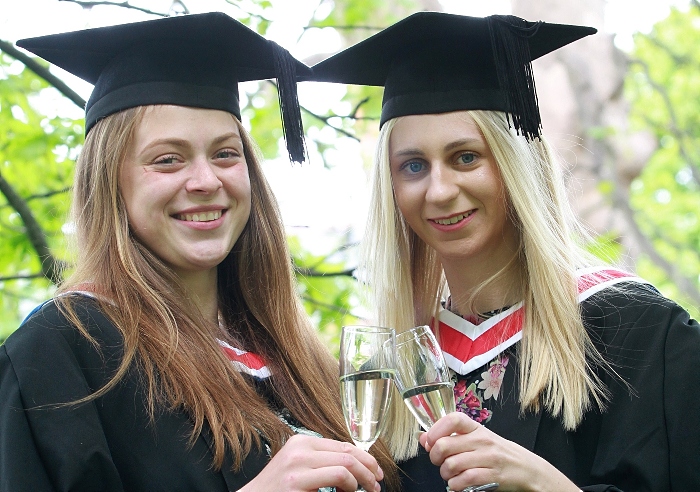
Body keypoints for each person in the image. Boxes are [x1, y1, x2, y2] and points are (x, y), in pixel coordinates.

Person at [0, 12, 400, 491]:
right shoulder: (60, 353)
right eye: (167, 160)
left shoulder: (295, 357)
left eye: (225, 154)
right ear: (109, 184)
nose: (207, 181)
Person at [308, 11, 700, 492]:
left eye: (465, 157)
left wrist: (541, 484)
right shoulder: (400, 368)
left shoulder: (635, 331)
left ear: (517, 164)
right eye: (413, 165)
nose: (439, 190)